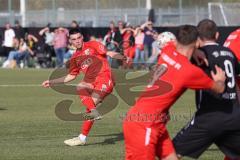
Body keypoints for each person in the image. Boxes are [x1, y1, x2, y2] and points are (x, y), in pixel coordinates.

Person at [123, 25, 226, 160]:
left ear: (177, 40)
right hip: (144, 125)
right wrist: (220, 80)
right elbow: (219, 89)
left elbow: (168, 42)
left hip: (152, 121)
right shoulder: (190, 72)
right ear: (196, 42)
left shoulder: (167, 50)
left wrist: (194, 51)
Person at [42, 28, 128, 146]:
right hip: (92, 82)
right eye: (74, 39)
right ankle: (82, 137)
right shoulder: (75, 58)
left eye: (79, 38)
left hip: (105, 79)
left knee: (88, 101)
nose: (77, 41)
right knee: (82, 90)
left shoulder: (93, 45)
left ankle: (86, 128)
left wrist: (122, 57)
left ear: (82, 37)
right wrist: (52, 82)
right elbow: (71, 76)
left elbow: (109, 53)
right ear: (70, 41)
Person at [173, 19, 240, 160]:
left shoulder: (199, 55)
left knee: (171, 153)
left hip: (208, 117)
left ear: (198, 37)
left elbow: (178, 61)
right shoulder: (230, 53)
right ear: (217, 35)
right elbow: (237, 83)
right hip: (234, 116)